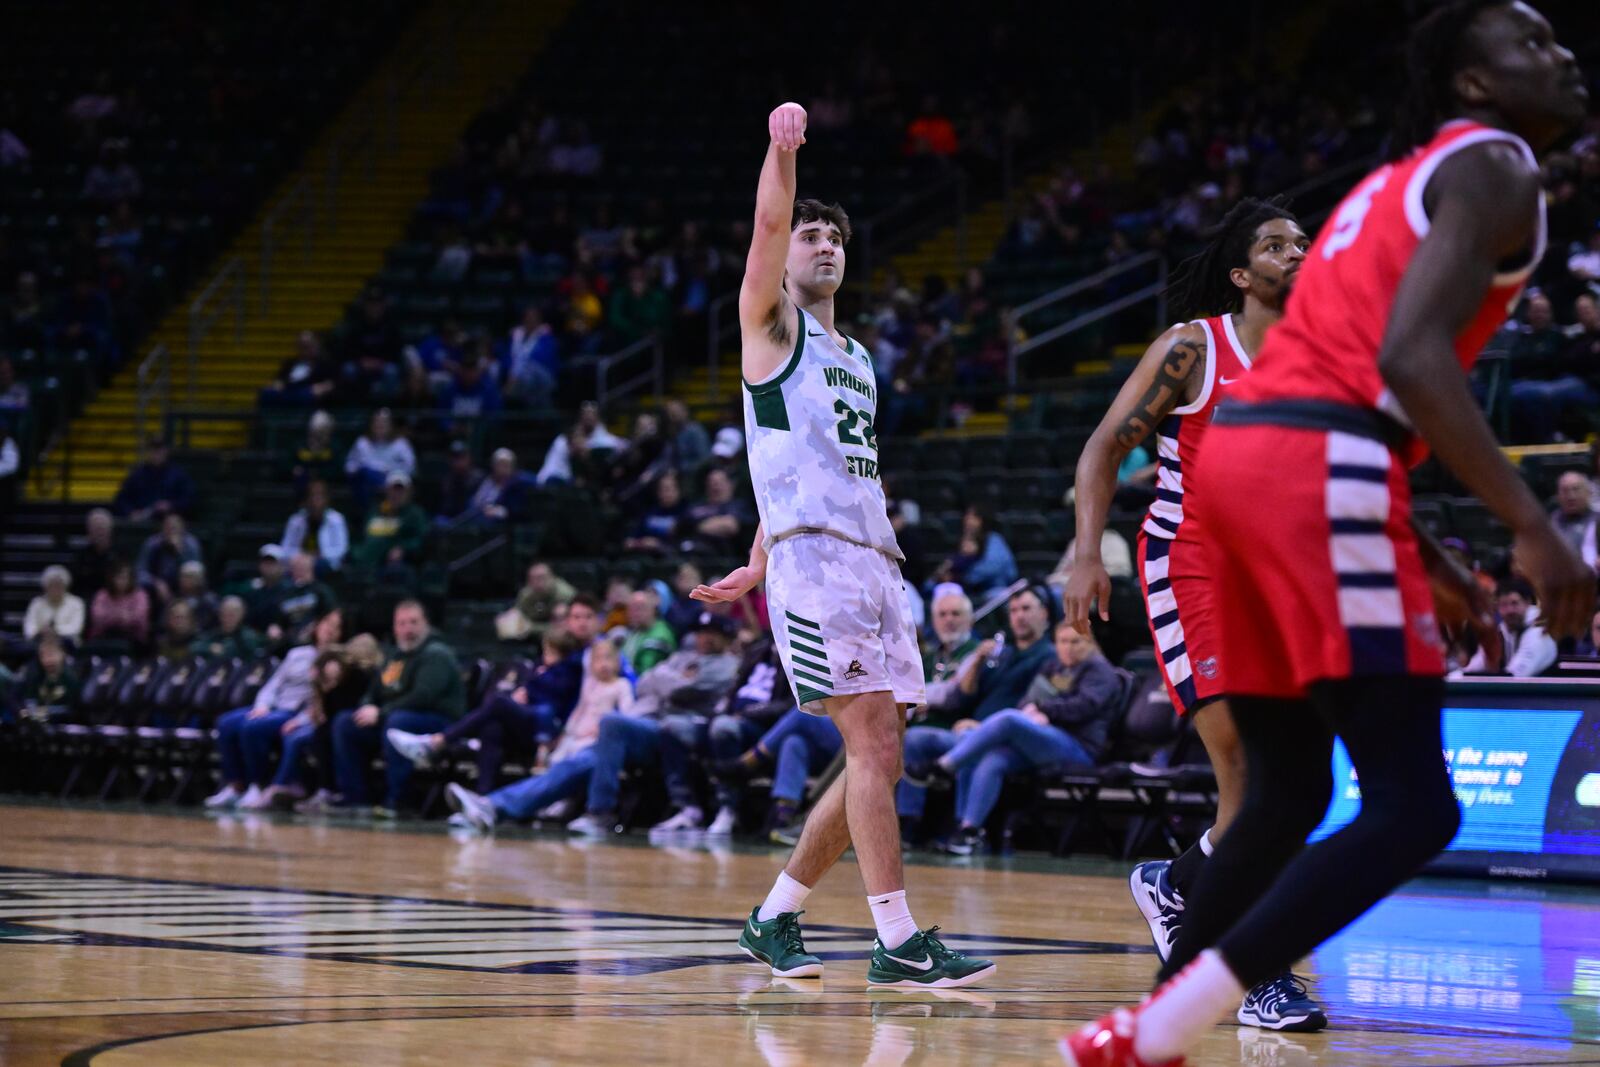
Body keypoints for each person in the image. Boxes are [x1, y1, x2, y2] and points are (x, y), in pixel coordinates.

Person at [1065, 6, 1594, 1063]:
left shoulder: (1395, 184)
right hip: (1316, 465)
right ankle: (1176, 1017)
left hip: (1250, 470)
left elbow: (1344, 363)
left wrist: (1430, 555)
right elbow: (1406, 358)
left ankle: (1142, 1029)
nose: (1565, 54)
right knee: (1412, 805)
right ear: (1474, 87)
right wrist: (1531, 526)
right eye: (1530, 44)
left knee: (1290, 788)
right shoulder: (1496, 169)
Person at [690, 103, 993, 988]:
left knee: (882, 752)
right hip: (817, 568)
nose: (821, 245)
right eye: (810, 234)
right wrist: (780, 151)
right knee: (870, 745)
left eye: (835, 238)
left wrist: (752, 547)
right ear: (787, 258)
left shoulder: (855, 356)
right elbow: (766, 222)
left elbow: (798, 460)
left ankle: (775, 916)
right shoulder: (769, 328)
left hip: (872, 558)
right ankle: (897, 941)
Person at [1062, 196, 1318, 1028]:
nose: (1299, 250)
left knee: (1288, 777)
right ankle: (1258, 973)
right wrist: (1082, 553)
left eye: (1304, 239)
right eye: (1277, 244)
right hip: (1192, 565)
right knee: (1248, 764)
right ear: (1243, 274)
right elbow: (1104, 444)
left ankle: (1177, 883)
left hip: (1275, 581)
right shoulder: (1193, 347)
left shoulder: (1322, 356)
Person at [921, 622, 1121, 856]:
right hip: (1044, 740)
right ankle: (967, 831)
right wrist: (1037, 709)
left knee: (1008, 719)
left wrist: (1043, 709)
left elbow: (1083, 707)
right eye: (1063, 642)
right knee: (993, 758)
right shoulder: (1053, 666)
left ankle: (943, 766)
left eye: (1075, 641)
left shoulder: (1099, 670)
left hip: (1078, 747)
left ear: (1090, 643)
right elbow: (1026, 701)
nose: (1068, 648)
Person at [444, 638, 636, 831]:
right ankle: (487, 804)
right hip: (578, 738)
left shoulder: (621, 685)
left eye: (608, 659)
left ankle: (491, 803)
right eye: (598, 660)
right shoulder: (588, 686)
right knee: (495, 729)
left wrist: (605, 726)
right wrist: (565, 734)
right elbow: (577, 713)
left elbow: (629, 716)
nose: (603, 665)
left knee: (499, 705)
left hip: (599, 741)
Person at [388, 629, 584, 793]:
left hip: (546, 731)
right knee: (492, 727)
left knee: (498, 702)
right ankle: (484, 801)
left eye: (549, 651)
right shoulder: (544, 668)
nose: (545, 655)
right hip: (529, 722)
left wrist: (530, 689)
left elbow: (551, 697)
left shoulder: (569, 671)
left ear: (561, 652)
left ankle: (437, 742)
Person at [328, 600, 466, 816]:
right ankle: (354, 798)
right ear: (394, 628)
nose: (407, 629)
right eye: (401, 623)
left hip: (438, 722)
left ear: (426, 625)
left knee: (398, 722)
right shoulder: (394, 656)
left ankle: (399, 800)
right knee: (346, 722)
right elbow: (372, 692)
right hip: (396, 716)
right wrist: (367, 707)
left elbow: (423, 696)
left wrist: (381, 713)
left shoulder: (437, 653)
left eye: (413, 622)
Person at [205, 609, 344, 810]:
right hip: (272, 707)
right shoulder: (297, 653)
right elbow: (273, 684)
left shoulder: (335, 662)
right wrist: (262, 706)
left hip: (294, 713)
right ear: (317, 626)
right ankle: (235, 785)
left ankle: (257, 785)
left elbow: (323, 701)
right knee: (225, 723)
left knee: (251, 727)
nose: (329, 630)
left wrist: (302, 720)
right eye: (326, 624)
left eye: (336, 627)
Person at [1454, 576, 1560, 676]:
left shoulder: (1539, 633)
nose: (1509, 610)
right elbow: (1473, 667)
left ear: (1527, 603)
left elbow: (1515, 676)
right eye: (1504, 605)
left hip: (1545, 695)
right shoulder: (1501, 632)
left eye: (1514, 603)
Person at [350, 472, 428, 575]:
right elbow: (362, 537)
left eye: (401, 490)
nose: (396, 494)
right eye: (393, 489)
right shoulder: (375, 511)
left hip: (392, 565)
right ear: (386, 490)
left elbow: (421, 539)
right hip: (365, 561)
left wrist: (403, 549)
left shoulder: (415, 514)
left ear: (409, 492)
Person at [343, 408, 415, 510]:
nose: (380, 425)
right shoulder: (362, 443)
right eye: (377, 421)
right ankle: (367, 514)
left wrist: (390, 475)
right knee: (363, 475)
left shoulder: (401, 444)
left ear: (391, 425)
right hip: (366, 483)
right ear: (371, 424)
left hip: (392, 482)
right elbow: (349, 466)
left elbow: (410, 467)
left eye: (384, 422)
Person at [112, 436, 193, 520]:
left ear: (166, 451)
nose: (156, 453)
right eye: (153, 449)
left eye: (160, 449)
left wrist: (171, 505)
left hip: (168, 521)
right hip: (141, 523)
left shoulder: (178, 475)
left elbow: (188, 500)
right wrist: (131, 512)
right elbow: (121, 499)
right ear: (148, 451)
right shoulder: (137, 474)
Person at [279, 479, 349, 574]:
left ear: (326, 499)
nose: (315, 500)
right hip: (299, 561)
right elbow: (285, 548)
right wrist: (301, 556)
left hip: (326, 562)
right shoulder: (296, 520)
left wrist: (319, 555)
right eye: (312, 495)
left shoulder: (336, 519)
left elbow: (341, 549)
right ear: (306, 499)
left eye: (320, 495)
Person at [135, 512, 202, 604]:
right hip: (156, 592)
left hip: (183, 591)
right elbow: (140, 573)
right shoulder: (153, 544)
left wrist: (179, 553)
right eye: (168, 527)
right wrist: (156, 583)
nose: (171, 531)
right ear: (162, 529)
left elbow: (196, 574)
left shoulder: (191, 545)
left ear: (183, 528)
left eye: (175, 528)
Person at [87, 559, 150, 650]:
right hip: (104, 636)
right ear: (112, 578)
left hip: (132, 637)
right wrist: (122, 616)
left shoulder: (140, 595)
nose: (121, 581)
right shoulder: (102, 595)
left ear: (130, 579)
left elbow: (140, 618)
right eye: (118, 577)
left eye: (125, 577)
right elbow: (97, 618)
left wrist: (112, 616)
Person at [17, 634, 80, 721]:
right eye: (43, 655)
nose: (47, 660)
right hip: (38, 725)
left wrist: (48, 711)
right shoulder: (36, 675)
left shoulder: (71, 677)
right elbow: (29, 699)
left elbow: (73, 709)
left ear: (62, 654)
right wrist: (27, 711)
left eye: (51, 654)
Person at [619, 588, 677, 674]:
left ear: (653, 609)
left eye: (640, 607)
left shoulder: (660, 635)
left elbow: (645, 672)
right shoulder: (634, 631)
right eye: (631, 608)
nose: (635, 612)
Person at [24, 566, 86, 645]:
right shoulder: (36, 603)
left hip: (67, 645)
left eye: (59, 585)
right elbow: (29, 630)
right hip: (41, 644)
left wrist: (53, 631)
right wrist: (41, 632)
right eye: (52, 585)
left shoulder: (76, 603)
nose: (55, 589)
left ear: (65, 586)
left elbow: (75, 629)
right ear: (45, 587)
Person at [191, 596, 263, 660]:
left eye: (232, 614)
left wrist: (222, 649)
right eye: (224, 613)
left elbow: (230, 650)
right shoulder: (215, 633)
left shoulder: (248, 635)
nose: (227, 618)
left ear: (242, 614)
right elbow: (193, 647)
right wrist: (210, 648)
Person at [73, 508, 117, 602]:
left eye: (102, 528)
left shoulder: (119, 554)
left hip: (114, 601)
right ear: (89, 532)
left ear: (110, 530)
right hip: (86, 602)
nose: (99, 533)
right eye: (95, 529)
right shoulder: (81, 556)